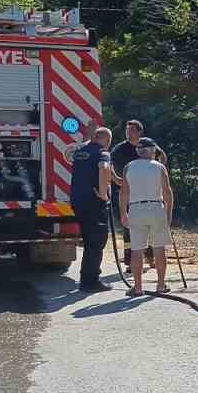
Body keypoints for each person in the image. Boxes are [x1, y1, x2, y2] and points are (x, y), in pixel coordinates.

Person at [118, 138, 175, 296]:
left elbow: (124, 193)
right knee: (159, 247)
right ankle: (161, 285)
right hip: (156, 207)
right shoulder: (159, 167)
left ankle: (137, 288)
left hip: (136, 208)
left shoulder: (129, 167)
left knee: (137, 249)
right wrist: (169, 213)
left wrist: (123, 213)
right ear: (152, 150)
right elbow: (167, 191)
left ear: (138, 151)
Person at [70, 125, 114, 291]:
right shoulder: (103, 153)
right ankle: (90, 281)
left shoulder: (79, 153)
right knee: (96, 242)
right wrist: (103, 193)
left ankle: (86, 277)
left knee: (89, 241)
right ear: (106, 140)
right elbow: (103, 169)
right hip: (95, 203)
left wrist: (115, 178)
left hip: (78, 202)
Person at [109, 119, 150, 267]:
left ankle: (150, 258)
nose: (128, 133)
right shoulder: (119, 149)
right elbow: (109, 162)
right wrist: (114, 177)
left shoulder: (147, 146)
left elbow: (161, 159)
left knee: (147, 225)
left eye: (131, 130)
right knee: (128, 227)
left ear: (140, 132)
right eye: (127, 130)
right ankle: (129, 261)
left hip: (147, 193)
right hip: (127, 193)